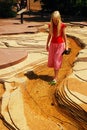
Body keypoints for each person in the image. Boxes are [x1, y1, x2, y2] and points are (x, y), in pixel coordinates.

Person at [46, 11, 68, 85]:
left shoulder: (62, 26)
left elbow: (65, 37)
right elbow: (49, 35)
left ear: (59, 19)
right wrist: (47, 44)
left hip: (60, 45)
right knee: (52, 60)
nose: (55, 21)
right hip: (52, 45)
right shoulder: (50, 25)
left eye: (56, 20)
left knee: (56, 60)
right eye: (53, 20)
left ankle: (55, 78)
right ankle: (55, 76)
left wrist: (66, 47)